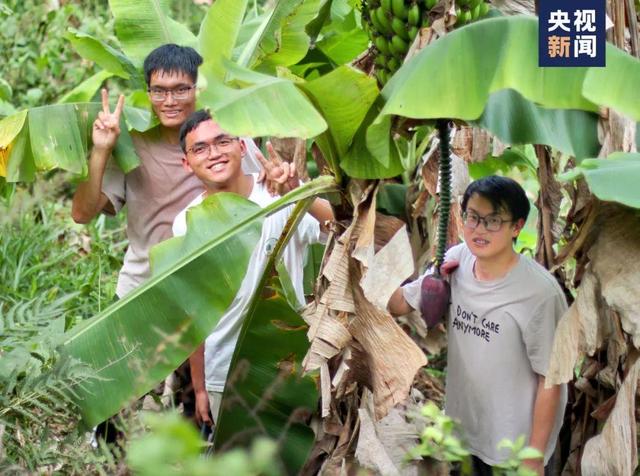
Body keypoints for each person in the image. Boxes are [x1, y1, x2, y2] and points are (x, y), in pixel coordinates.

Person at [70, 44, 263, 441]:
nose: (169, 100)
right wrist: (102, 151)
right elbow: (82, 213)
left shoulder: (221, 137)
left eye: (180, 89)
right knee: (112, 415)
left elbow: (264, 187)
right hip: (146, 290)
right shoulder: (133, 145)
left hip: (211, 295)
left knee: (200, 411)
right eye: (159, 90)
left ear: (197, 88)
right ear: (148, 91)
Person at [387, 176, 567, 476]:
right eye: (472, 217)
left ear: (517, 226)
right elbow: (399, 305)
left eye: (493, 220)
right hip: (462, 436)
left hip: (513, 448)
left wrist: (533, 458)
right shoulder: (456, 261)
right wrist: (358, 240)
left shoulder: (539, 294)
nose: (479, 229)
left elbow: (552, 379)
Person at [172, 110, 333, 428]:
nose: (214, 153)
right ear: (186, 163)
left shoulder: (278, 197)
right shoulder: (186, 223)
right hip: (224, 371)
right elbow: (194, 312)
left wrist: (298, 191)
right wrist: (200, 386)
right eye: (200, 148)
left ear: (242, 147)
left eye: (222, 141)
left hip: (290, 367)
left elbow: (336, 226)